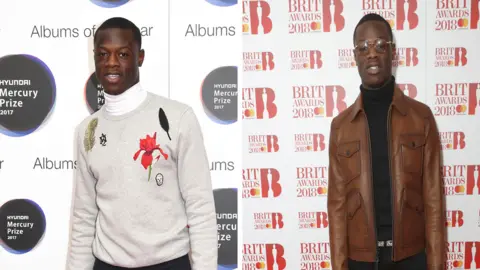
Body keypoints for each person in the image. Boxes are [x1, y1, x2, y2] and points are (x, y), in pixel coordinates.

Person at [66, 17, 218, 270]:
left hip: (169, 263)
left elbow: (200, 209)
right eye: (103, 54)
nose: (111, 62)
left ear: (140, 57)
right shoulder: (87, 130)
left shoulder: (177, 118)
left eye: (123, 54)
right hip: (106, 264)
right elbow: (83, 217)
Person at [327, 13, 445, 270]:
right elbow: (336, 209)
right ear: (355, 56)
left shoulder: (421, 118)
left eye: (380, 45)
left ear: (392, 52)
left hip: (412, 258)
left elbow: (434, 202)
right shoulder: (340, 127)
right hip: (361, 261)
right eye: (363, 47)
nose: (372, 53)